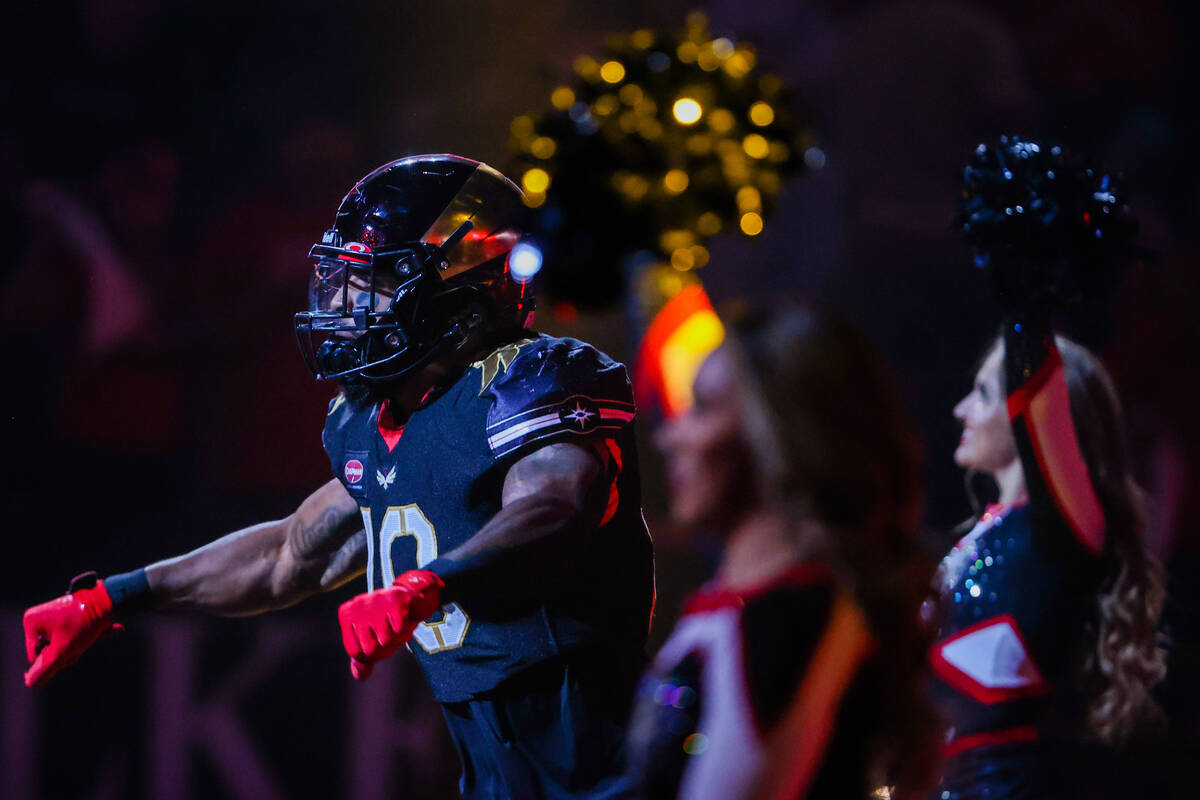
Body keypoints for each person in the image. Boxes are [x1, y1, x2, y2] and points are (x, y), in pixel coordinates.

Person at [22, 154, 655, 800]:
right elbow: (288, 554)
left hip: (607, 772)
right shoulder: (375, 422)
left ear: (459, 281)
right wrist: (108, 598)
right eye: (341, 280)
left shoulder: (528, 380)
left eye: (371, 282)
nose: (345, 304)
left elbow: (557, 502)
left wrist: (427, 586)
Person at [930, 137, 1167, 798]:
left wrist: (1026, 301)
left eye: (982, 393)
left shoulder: (1060, 534)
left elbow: (1036, 389)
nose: (961, 409)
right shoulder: (984, 534)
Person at [626, 304, 940, 800]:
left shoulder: (797, 617)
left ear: (773, 436)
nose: (670, 437)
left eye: (703, 409)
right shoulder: (742, 607)